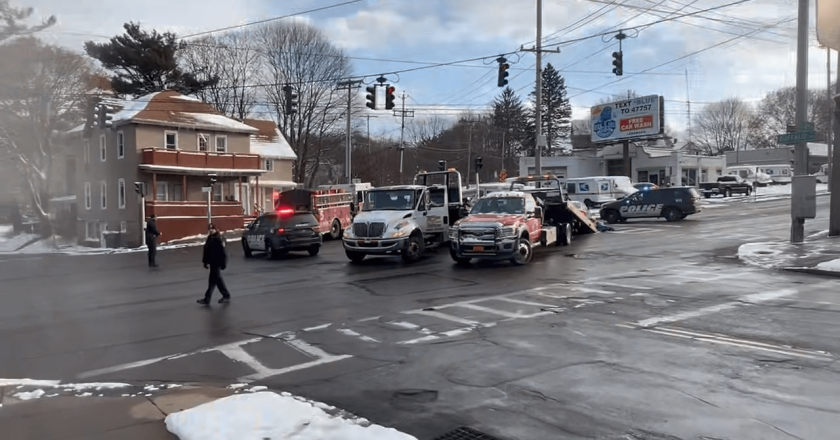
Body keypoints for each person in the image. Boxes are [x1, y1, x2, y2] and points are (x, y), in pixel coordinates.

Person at [198, 223, 230, 305]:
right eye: (209, 229)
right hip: (212, 263)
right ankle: (225, 295)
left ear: (216, 230)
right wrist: (205, 262)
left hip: (217, 263)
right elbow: (206, 251)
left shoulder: (219, 239)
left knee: (213, 281)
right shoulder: (209, 239)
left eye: (212, 229)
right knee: (216, 281)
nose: (211, 231)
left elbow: (223, 253)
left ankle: (207, 299)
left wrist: (224, 264)